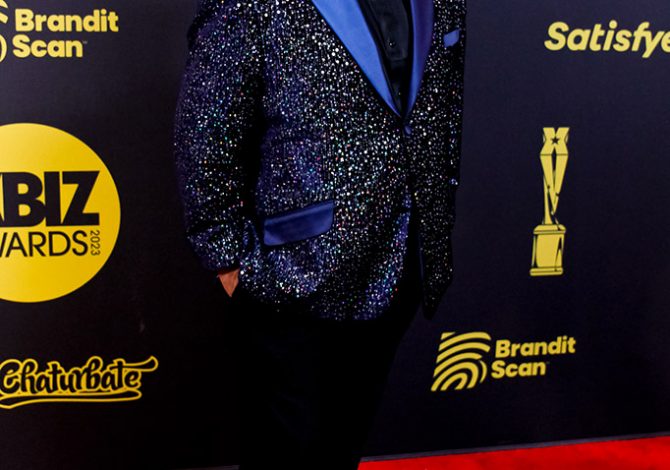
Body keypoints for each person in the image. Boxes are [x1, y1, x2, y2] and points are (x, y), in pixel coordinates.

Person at [173, 0, 466, 467]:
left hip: (401, 268)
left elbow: (439, 113)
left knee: (342, 446)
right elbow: (204, 136)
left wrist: (430, 227)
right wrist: (231, 264)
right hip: (293, 280)